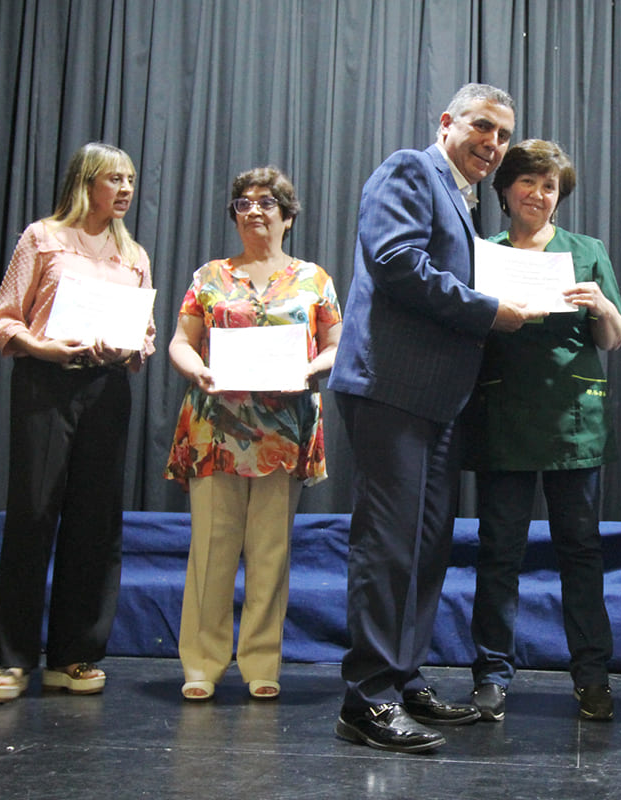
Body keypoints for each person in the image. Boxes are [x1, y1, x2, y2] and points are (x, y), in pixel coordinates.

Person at [328, 83, 544, 754]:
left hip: (438, 400)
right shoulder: (410, 169)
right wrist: (490, 310)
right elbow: (395, 262)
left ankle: (402, 676)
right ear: (447, 122)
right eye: (482, 126)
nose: (493, 143)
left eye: (503, 135)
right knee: (388, 546)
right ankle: (366, 699)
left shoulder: (462, 199)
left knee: (423, 550)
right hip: (392, 389)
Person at [0, 142, 155, 703]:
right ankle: (12, 660)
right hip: (46, 383)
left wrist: (129, 347)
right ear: (86, 183)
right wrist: (45, 348)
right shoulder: (43, 238)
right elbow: (5, 318)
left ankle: (73, 656)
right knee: (34, 513)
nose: (125, 189)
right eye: (114, 179)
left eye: (130, 180)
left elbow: (145, 335)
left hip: (107, 387)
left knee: (95, 520)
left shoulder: (133, 254)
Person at [463, 140, 621, 722]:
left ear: (560, 196)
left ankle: (592, 675)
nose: (538, 194)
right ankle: (491, 675)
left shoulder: (587, 252)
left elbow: (614, 338)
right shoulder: (483, 254)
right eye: (527, 182)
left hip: (571, 421)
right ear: (505, 190)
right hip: (504, 418)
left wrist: (602, 305)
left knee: (580, 551)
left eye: (549, 186)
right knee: (499, 551)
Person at [165, 167, 342, 702]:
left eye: (267, 203)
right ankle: (202, 664)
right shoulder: (210, 276)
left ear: (288, 217)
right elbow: (180, 342)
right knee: (211, 551)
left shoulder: (314, 280)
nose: (254, 211)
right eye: (244, 203)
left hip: (283, 432)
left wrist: (310, 369)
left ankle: (262, 662)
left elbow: (337, 346)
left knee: (270, 552)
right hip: (215, 428)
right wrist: (196, 369)